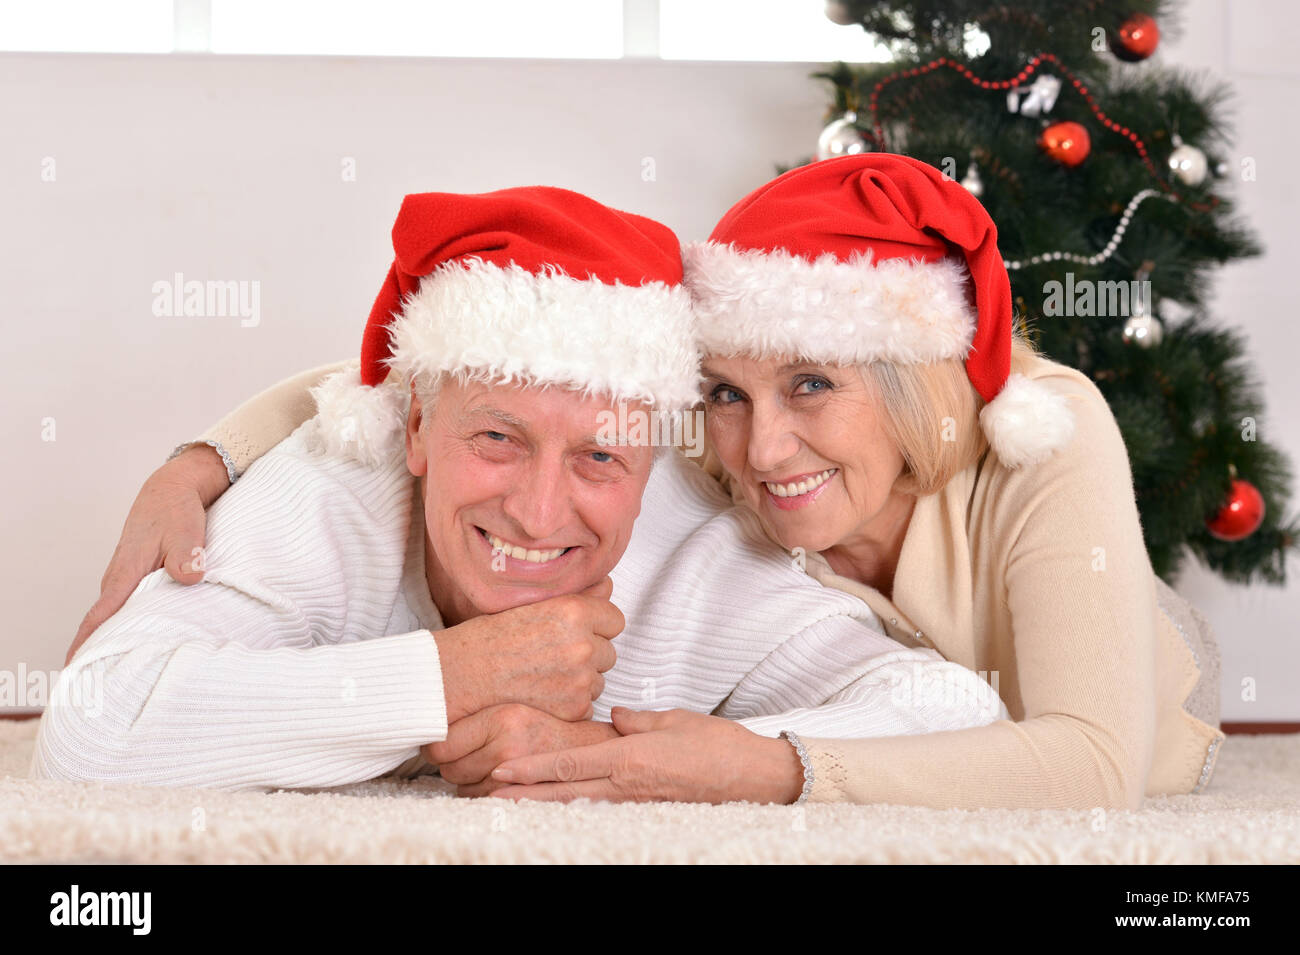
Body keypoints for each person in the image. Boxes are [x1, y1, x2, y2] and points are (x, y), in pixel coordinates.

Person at [88, 156, 1224, 810]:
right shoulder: (695, 459)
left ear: (910, 381)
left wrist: (743, 766)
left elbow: (1075, 757)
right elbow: (452, 377)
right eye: (725, 394)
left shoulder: (1042, 434)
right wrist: (213, 455)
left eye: (814, 386)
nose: (765, 451)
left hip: (1120, 722)